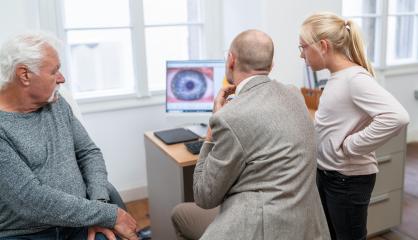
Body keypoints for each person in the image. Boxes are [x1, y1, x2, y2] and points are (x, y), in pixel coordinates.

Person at [171, 29, 330, 240]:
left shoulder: (229, 117)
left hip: (259, 229)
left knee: (179, 214)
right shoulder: (295, 95)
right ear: (271, 66)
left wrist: (211, 134)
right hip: (307, 227)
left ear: (230, 60)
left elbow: (204, 196)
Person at [0, 32, 139, 240]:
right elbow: (30, 200)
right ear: (24, 75)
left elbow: (88, 152)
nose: (62, 78)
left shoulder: (56, 103)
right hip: (29, 233)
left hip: (81, 219)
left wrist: (99, 207)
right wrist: (108, 214)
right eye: (54, 71)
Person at [299, 12, 410, 240]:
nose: (301, 55)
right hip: (330, 174)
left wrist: (351, 146)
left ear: (323, 45)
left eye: (303, 47)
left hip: (346, 180)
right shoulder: (337, 77)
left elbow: (397, 116)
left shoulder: (354, 79)